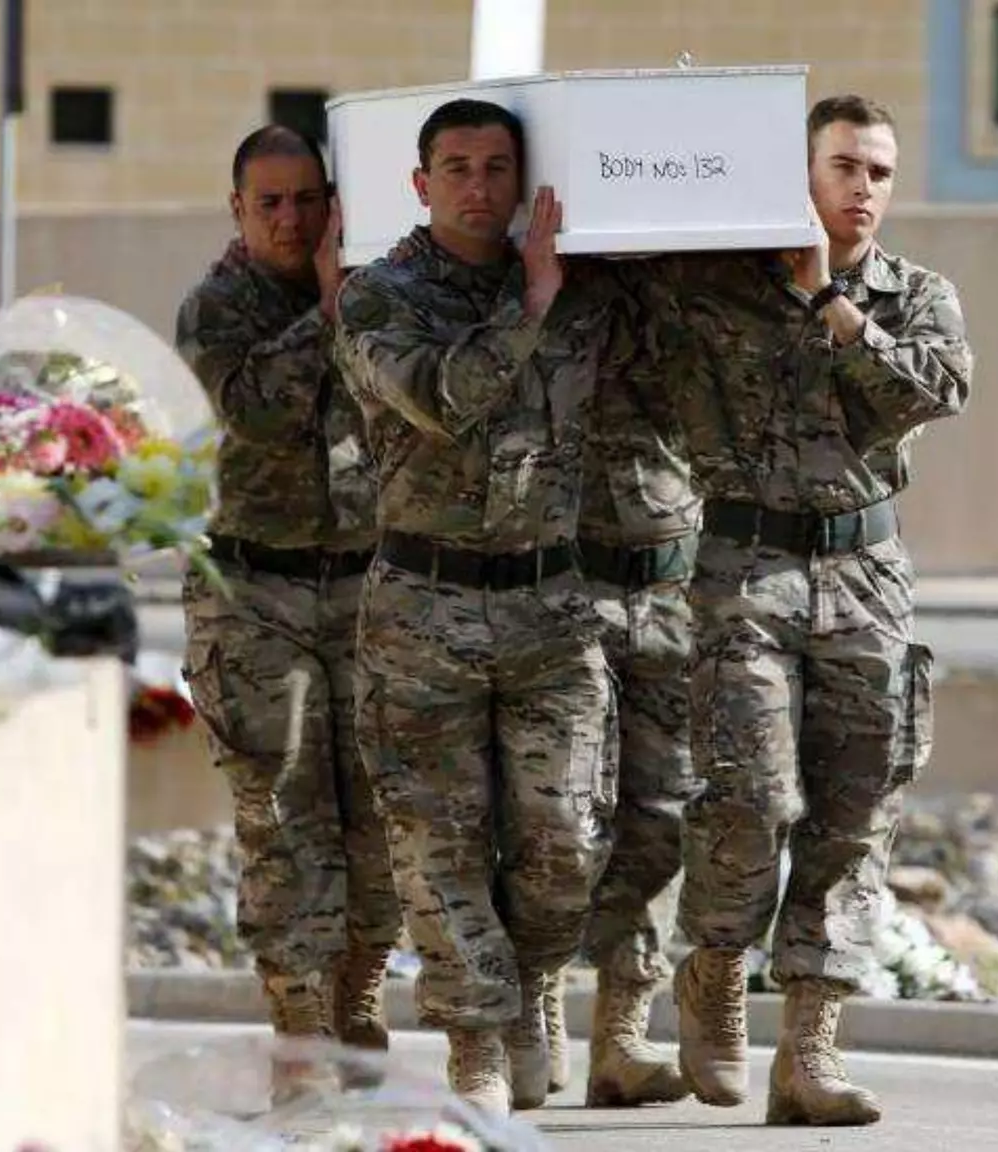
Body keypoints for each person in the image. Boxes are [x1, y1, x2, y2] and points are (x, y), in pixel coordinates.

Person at [624, 94, 972, 1127]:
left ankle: (811, 1049)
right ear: (801, 173)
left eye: (878, 172)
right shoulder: (713, 289)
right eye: (843, 167)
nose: (862, 189)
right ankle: (716, 970)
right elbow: (622, 296)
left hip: (866, 571)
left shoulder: (915, 295)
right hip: (744, 564)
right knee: (751, 794)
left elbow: (932, 393)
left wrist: (833, 303)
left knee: (857, 810)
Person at [333, 98, 623, 1118]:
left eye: (497, 167)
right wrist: (532, 301)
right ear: (420, 183)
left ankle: (530, 986)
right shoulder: (378, 297)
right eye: (455, 167)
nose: (476, 186)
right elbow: (446, 397)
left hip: (551, 608)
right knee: (437, 842)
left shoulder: (580, 291)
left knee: (565, 839)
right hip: (425, 608)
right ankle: (476, 1045)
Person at [175, 125, 401, 1102]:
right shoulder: (216, 307)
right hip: (252, 595)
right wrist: (328, 310)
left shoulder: (377, 295)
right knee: (282, 816)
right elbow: (257, 409)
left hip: (364, 586)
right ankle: (300, 1026)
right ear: (237, 208)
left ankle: (358, 989)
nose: (289, 218)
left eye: (308, 200)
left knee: (380, 810)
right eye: (268, 202)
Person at [555, 264, 701, 1109]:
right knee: (553, 814)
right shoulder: (527, 278)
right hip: (559, 587)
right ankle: (535, 1004)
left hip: (668, 589)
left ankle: (622, 1033)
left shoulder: (697, 284)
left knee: (661, 814)